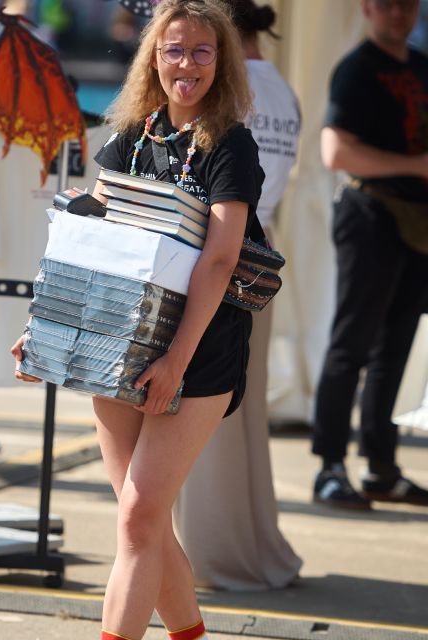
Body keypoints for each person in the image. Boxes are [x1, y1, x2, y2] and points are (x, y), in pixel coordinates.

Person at [14, 1, 258, 640]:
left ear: (222, 62)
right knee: (141, 521)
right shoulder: (128, 139)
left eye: (202, 53)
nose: (187, 65)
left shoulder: (230, 146)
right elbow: (87, 251)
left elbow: (219, 263)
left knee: (138, 516)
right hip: (119, 348)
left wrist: (177, 361)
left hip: (201, 353)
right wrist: (46, 330)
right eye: (174, 50)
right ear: (153, 57)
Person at [172, 0, 302, 592]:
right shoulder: (284, 94)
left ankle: (211, 553)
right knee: (244, 424)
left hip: (218, 254)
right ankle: (250, 545)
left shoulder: (232, 102)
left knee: (209, 420)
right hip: (259, 254)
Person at [312, 0, 428, 509]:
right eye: (387, 4)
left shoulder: (422, 66)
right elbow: (335, 153)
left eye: (407, 3)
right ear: (367, 9)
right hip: (369, 215)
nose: (398, 13)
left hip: (417, 223)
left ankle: (382, 467)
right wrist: (416, 165)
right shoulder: (356, 69)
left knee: (397, 349)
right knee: (352, 344)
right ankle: (330, 467)